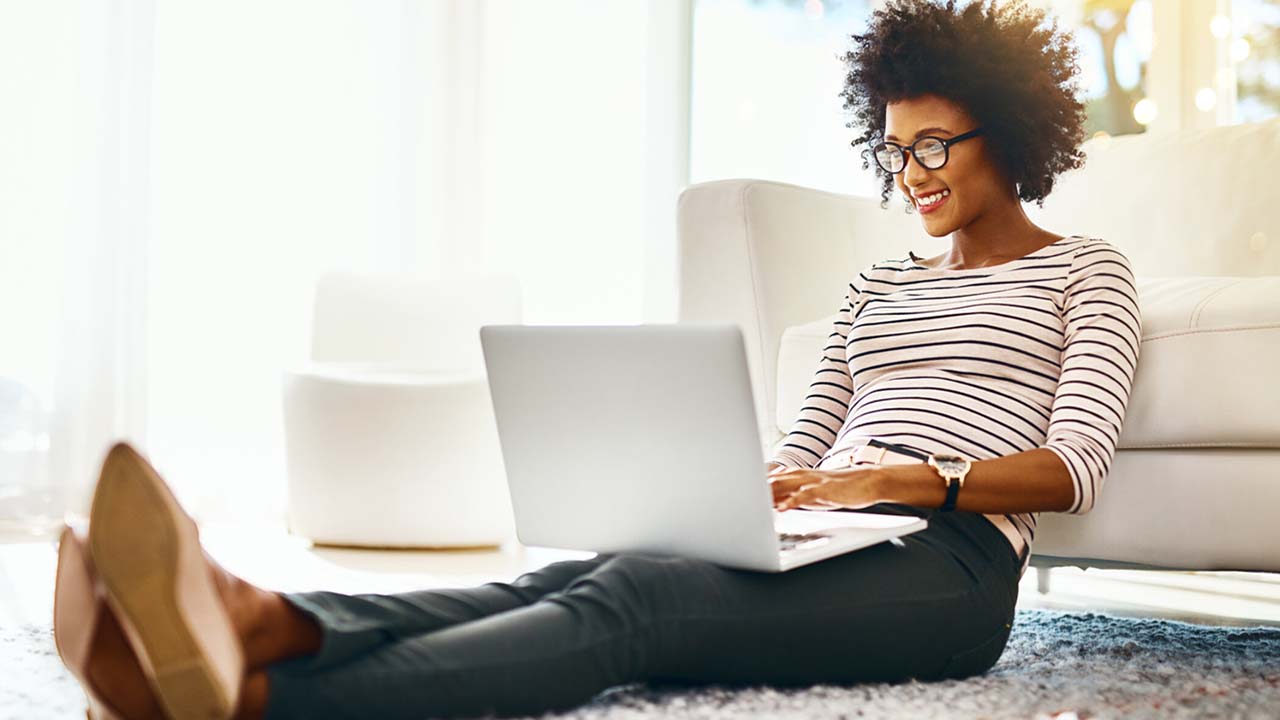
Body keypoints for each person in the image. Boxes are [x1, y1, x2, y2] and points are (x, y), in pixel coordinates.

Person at [51, 1, 1141, 718]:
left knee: (639, 608)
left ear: (1006, 131)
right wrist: (737, 492)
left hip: (948, 572)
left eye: (935, 144)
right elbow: (802, 448)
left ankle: (256, 701)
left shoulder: (1085, 272)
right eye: (895, 149)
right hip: (825, 534)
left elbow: (1073, 466)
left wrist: (907, 482)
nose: (912, 172)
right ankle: (263, 621)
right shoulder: (875, 288)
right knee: (575, 574)